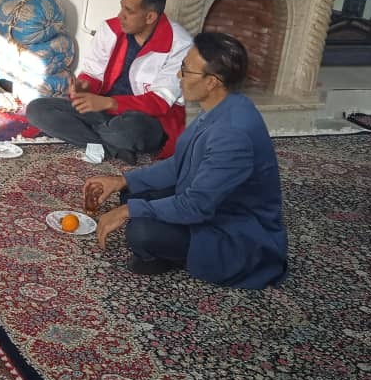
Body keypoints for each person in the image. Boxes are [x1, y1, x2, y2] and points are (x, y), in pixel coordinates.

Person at [83, 32, 288, 289]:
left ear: (212, 82)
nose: (179, 76)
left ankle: (177, 255)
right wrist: (122, 180)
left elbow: (196, 206)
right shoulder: (222, 106)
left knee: (141, 231)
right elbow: (179, 164)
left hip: (236, 234)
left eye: (186, 71)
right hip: (212, 204)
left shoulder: (232, 135)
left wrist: (128, 212)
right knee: (132, 193)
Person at [25, 0, 192, 164]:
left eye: (129, 11)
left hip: (146, 121)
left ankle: (96, 137)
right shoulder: (110, 29)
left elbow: (159, 103)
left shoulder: (180, 45)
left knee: (128, 131)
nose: (120, 15)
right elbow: (93, 72)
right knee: (37, 110)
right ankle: (113, 147)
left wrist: (108, 103)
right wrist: (83, 86)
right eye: (121, 6)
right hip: (103, 112)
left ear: (150, 17)